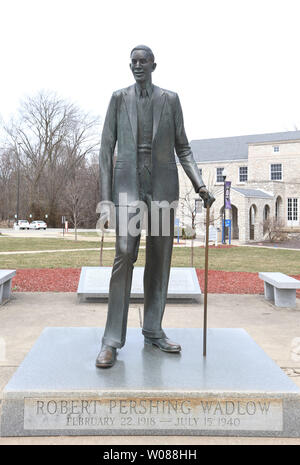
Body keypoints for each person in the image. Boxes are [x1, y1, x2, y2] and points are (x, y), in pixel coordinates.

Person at [96, 45, 214, 368]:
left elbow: (184, 148)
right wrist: (106, 199)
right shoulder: (119, 99)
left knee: (160, 260)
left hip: (162, 188)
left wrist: (199, 184)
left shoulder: (170, 100)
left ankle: (153, 329)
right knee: (124, 254)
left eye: (142, 61)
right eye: (133, 62)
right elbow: (106, 149)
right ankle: (111, 340)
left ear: (153, 65)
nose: (137, 66)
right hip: (128, 189)